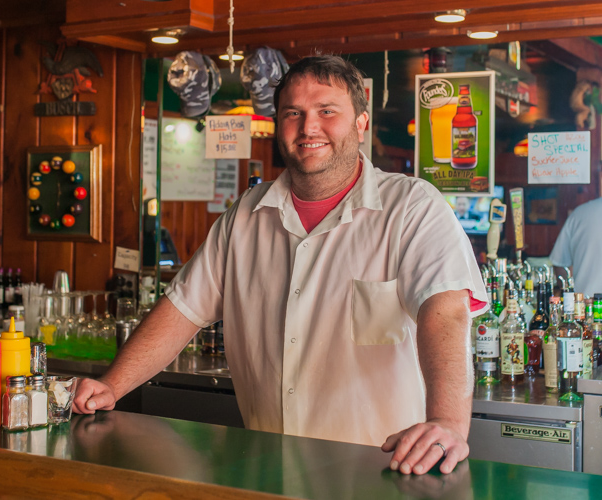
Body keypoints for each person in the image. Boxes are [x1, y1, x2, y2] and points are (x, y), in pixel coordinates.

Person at [73, 55, 488, 476]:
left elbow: (445, 311)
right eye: (294, 113)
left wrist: (447, 421)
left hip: (379, 470)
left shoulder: (412, 207)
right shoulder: (244, 217)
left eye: (328, 111)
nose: (309, 128)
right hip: (269, 466)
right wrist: (112, 385)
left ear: (361, 124)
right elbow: (181, 310)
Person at [550, 197, 602, 297]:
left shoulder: (581, 213)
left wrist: (569, 295)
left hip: (584, 305)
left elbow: (560, 264)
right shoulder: (580, 213)